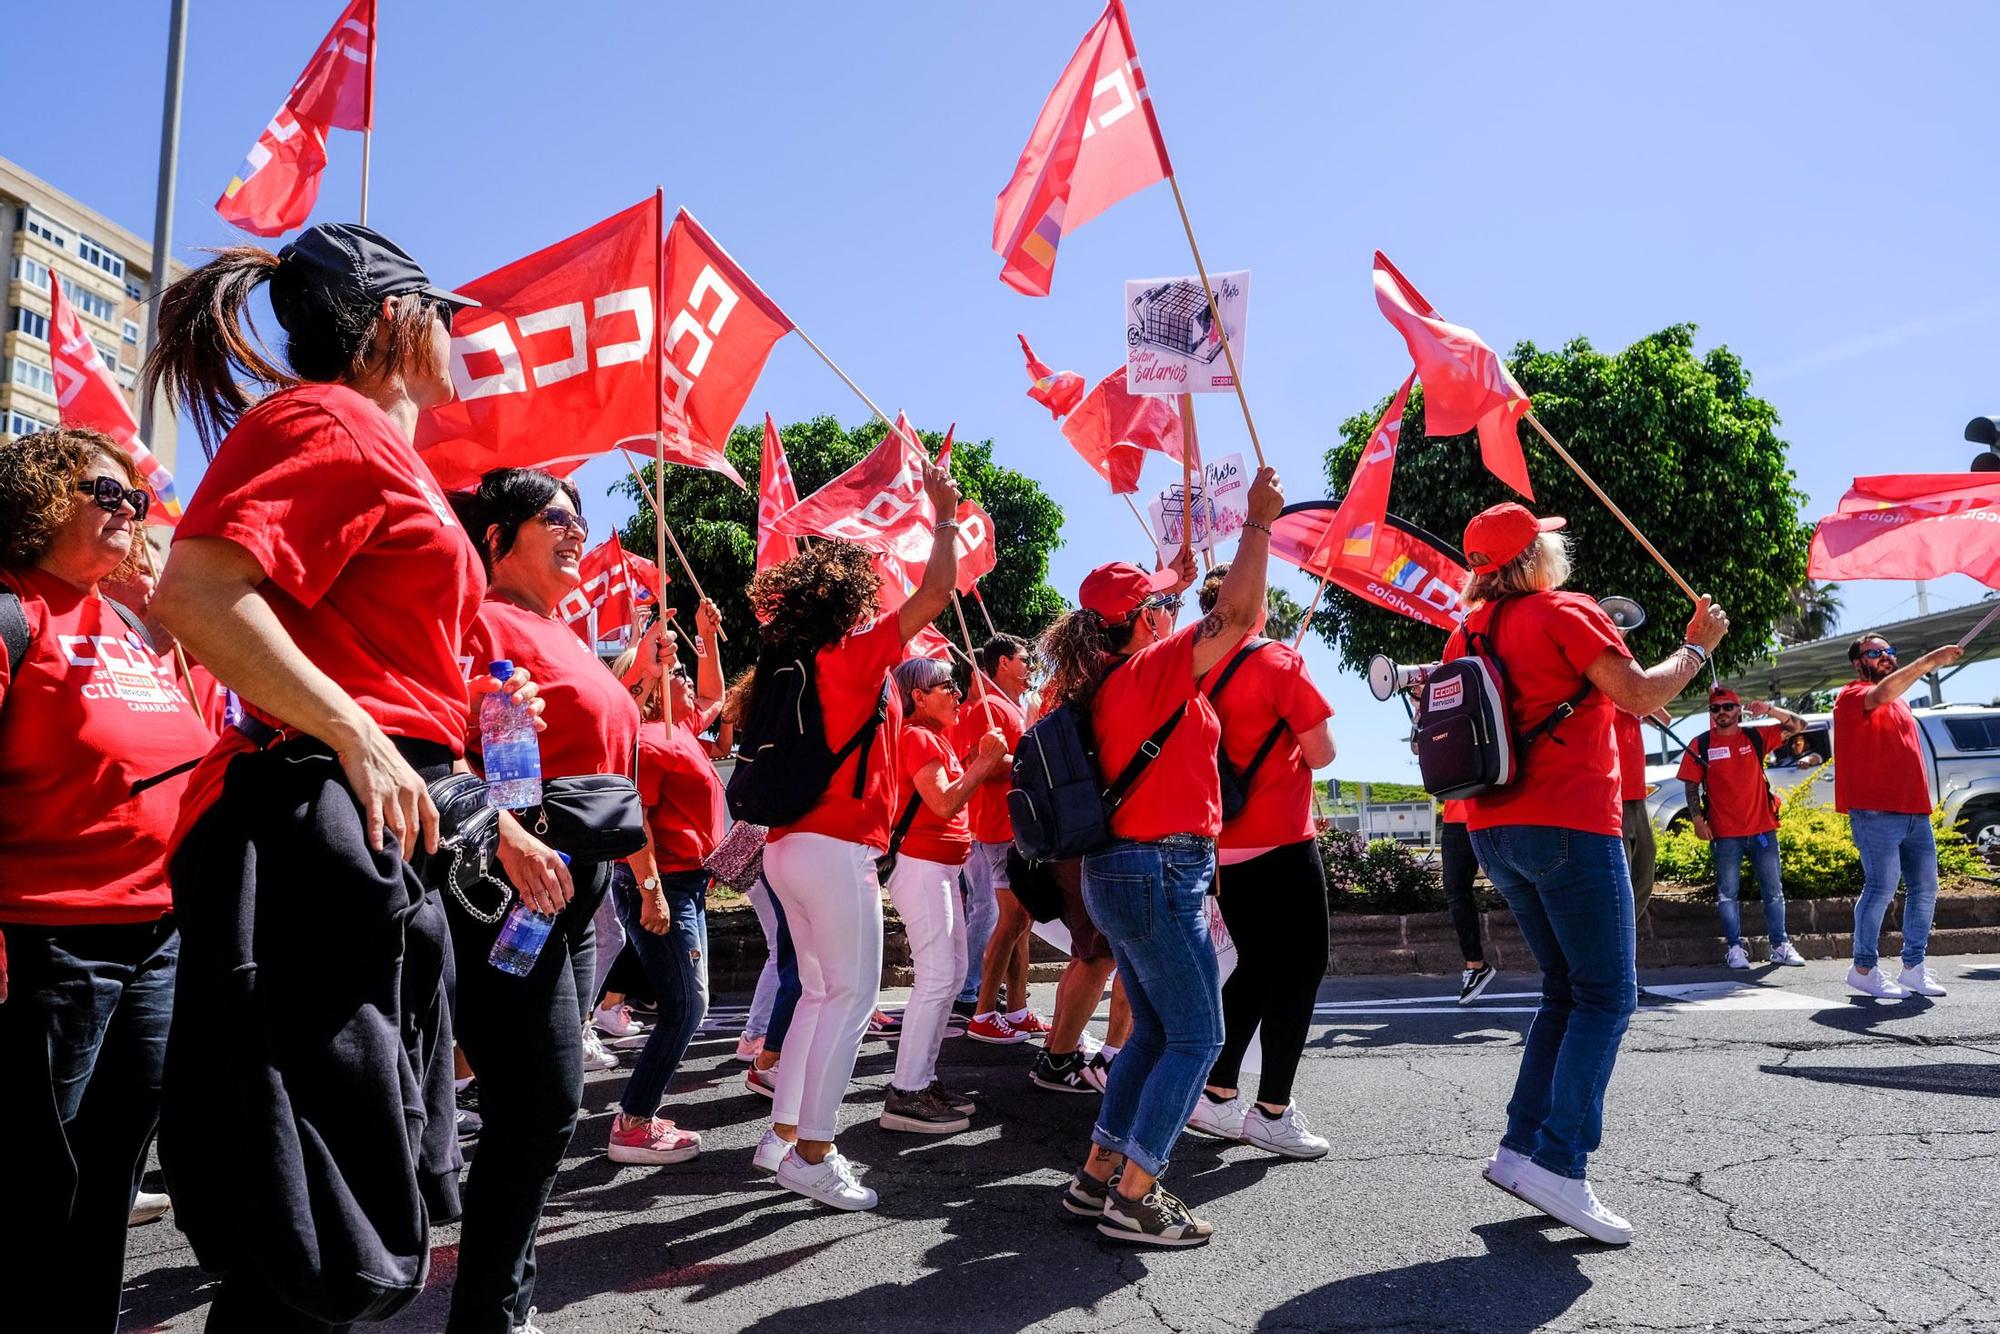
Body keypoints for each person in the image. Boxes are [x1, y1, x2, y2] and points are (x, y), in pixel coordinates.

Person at [146, 226, 554, 1333]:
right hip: (314, 815)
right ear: (388, 321)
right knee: (309, 1203)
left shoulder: (389, 449)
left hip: (377, 822)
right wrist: (356, 732)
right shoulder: (326, 419)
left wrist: (485, 791)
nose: (456, 337)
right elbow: (191, 592)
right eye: (441, 314)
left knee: (328, 1200)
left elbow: (405, 669)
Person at [1451, 503, 1727, 1247]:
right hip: (1568, 822)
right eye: (1549, 540)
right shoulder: (1563, 612)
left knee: (1565, 992)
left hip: (1493, 828)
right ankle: (1559, 1163)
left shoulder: (1466, 629)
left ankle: (1519, 1152)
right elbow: (1640, 692)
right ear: (1533, 556)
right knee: (1606, 997)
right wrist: (1696, 648)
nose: (1557, 547)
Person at [0, 429, 215, 1333]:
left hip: (157, 940)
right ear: (44, 497)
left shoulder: (131, 629)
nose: (132, 510)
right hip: (45, 946)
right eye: (108, 492)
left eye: (135, 497)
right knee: (29, 1187)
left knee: (110, 1174)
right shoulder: (13, 614)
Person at [1044, 463, 1285, 1249]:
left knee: (1153, 1033)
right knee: (1198, 1038)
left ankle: (1096, 1177)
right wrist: (1256, 523)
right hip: (1157, 870)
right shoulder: (1149, 673)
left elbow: (1192, 607)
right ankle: (1136, 1195)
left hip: (1126, 871)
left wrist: (1173, 576)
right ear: (1143, 621)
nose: (1172, 610)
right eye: (1161, 605)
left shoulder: (1111, 675)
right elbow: (1242, 612)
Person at [450, 468, 659, 1330]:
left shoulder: (563, 630)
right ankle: (491, 1314)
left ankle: (507, 1303)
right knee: (537, 1106)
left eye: (582, 517)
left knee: (539, 1106)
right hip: (513, 888)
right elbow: (437, 745)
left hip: (575, 891)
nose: (578, 530)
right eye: (555, 518)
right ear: (498, 539)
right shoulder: (478, 620)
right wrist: (502, 824)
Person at [749, 463, 961, 1211]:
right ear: (849, 604)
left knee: (817, 995)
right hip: (836, 851)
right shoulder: (852, 657)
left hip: (787, 849)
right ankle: (815, 1151)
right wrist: (942, 516)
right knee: (851, 997)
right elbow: (936, 595)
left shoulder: (791, 667)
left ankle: (783, 1134)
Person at [1182, 563, 1336, 1160]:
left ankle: (1218, 1092)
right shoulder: (1279, 661)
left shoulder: (1188, 662)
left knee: (1255, 964)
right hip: (1282, 838)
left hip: (1221, 844)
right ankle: (1272, 1108)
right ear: (1256, 604)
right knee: (1300, 970)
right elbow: (1321, 751)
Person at [607, 600, 730, 1167]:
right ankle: (632, 1123)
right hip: (665, 884)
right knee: (685, 1006)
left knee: (687, 1004)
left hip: (687, 883)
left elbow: (714, 697)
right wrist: (652, 889)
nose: (685, 677)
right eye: (674, 673)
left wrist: (706, 635)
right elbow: (635, 821)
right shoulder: (648, 740)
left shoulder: (678, 729)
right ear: (654, 686)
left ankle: (637, 1115)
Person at [880, 657, 1010, 1133]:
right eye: (946, 686)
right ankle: (908, 1091)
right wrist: (984, 764)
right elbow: (944, 802)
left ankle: (922, 1080)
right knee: (938, 978)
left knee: (950, 977)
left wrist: (977, 762)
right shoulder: (916, 737)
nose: (957, 693)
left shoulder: (933, 739)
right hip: (922, 867)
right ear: (917, 696)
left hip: (938, 868)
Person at [1834, 634, 1961, 1000]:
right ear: (1859, 662)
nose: (1886, 657)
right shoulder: (1851, 695)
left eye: (1890, 651)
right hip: (1874, 814)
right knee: (1880, 889)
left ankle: (1913, 967)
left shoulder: (1900, 703)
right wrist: (1928, 661)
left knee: (1926, 890)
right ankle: (1863, 969)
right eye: (1876, 652)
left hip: (1914, 813)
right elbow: (1882, 693)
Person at [1677, 686, 1807, 969]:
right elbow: (1690, 785)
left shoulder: (1754, 735)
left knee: (1774, 892)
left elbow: (1799, 725)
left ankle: (1780, 945)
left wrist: (1769, 709)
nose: (1721, 712)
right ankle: (1735, 949)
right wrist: (1698, 820)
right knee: (1727, 895)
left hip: (1762, 829)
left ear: (1738, 710)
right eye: (1715, 708)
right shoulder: (1700, 744)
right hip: (1724, 835)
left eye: (1727, 707)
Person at [956, 635, 1040, 1038]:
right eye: (1024, 660)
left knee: (1020, 920)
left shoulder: (1009, 708)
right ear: (1003, 662)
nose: (1030, 667)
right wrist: (1034, 759)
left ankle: (1018, 1009)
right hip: (996, 827)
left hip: (1013, 828)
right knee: (1010, 920)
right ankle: (984, 1010)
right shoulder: (987, 708)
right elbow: (980, 764)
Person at [1598, 597, 1665, 918]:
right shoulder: (1599, 678)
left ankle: (1629, 928)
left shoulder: (1627, 681)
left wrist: (1640, 693)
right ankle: (1619, 930)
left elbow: (1663, 718)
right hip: (1610, 792)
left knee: (1645, 863)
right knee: (1620, 869)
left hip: (1636, 792)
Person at [1439, 801, 1495, 1003]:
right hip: (1456, 818)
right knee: (1455, 891)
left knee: (1525, 889)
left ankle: (1561, 970)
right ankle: (1476, 965)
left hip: (1502, 813)